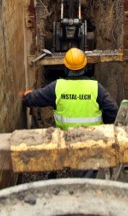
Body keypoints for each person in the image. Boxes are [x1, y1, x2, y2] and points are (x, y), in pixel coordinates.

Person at [23, 47, 118, 177]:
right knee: (88, 174)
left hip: (66, 140)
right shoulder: (95, 87)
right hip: (92, 140)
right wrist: (104, 128)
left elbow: (31, 100)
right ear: (84, 67)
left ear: (66, 68)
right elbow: (112, 110)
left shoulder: (57, 87)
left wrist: (27, 95)